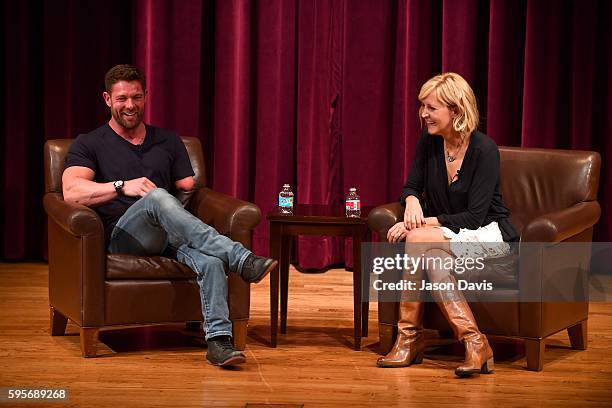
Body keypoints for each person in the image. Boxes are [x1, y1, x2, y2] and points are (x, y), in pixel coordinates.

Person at [62, 64, 278, 367]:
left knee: (210, 259)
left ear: (146, 97)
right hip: (123, 237)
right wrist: (123, 186)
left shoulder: (168, 140)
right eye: (122, 98)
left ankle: (219, 341)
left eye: (136, 97)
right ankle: (242, 259)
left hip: (169, 235)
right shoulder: (90, 142)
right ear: (107, 99)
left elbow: (189, 185)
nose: (130, 106)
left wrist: (184, 190)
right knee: (157, 196)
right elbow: (72, 192)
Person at [376, 72, 518, 377]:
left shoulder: (484, 150)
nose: (423, 114)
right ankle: (475, 342)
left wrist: (418, 223)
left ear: (455, 111)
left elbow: (475, 217)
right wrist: (411, 202)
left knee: (416, 240)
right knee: (434, 260)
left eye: (431, 107)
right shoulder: (429, 144)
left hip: (488, 234)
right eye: (422, 106)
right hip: (444, 234)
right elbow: (410, 186)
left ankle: (409, 339)